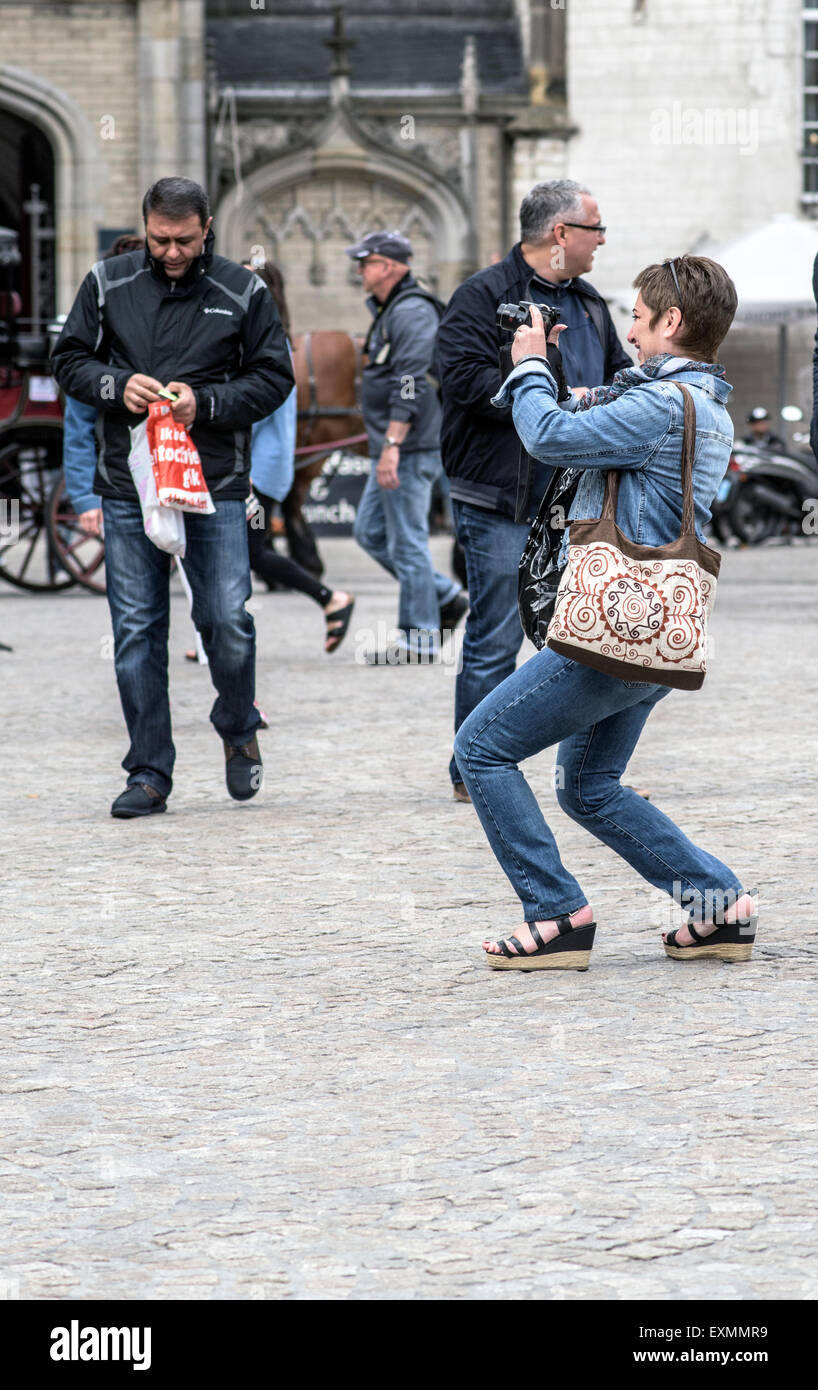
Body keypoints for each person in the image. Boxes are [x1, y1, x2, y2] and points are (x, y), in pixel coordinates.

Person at [452, 254, 758, 969]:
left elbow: (547, 438)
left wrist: (529, 366)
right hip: (659, 633)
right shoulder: (699, 405)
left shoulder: (657, 407)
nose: (630, 327)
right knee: (588, 787)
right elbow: (593, 422)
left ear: (672, 322)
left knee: (482, 748)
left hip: (610, 627)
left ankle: (555, 915)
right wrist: (561, 377)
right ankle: (717, 905)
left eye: (639, 317)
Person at [52, 177, 294, 818]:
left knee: (226, 623)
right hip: (129, 483)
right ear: (146, 226)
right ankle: (149, 772)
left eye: (185, 240)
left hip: (214, 481)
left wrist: (204, 403)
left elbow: (275, 378)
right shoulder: (107, 282)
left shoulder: (245, 290)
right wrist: (114, 384)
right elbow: (69, 358)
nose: (172, 252)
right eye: (160, 239)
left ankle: (238, 726)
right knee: (136, 632)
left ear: (207, 227)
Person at [437, 180, 631, 799]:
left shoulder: (592, 303)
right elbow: (462, 381)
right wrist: (537, 386)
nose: (602, 240)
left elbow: (622, 377)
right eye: (596, 229)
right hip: (501, 497)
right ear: (561, 234)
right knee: (494, 636)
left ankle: (588, 773)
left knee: (582, 637)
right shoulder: (481, 295)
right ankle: (474, 769)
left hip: (577, 506)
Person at [347, 230, 466, 664]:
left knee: (407, 542)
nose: (359, 269)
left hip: (409, 446)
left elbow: (411, 381)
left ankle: (419, 640)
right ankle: (446, 595)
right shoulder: (392, 309)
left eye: (366, 261)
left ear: (391, 266)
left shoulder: (411, 311)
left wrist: (393, 442)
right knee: (370, 532)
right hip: (397, 445)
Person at [242, 261, 355, 653]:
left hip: (259, 470)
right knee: (240, 551)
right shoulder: (269, 339)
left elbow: (255, 414)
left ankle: (330, 598)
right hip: (260, 466)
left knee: (253, 551)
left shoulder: (267, 344)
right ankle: (221, 633)